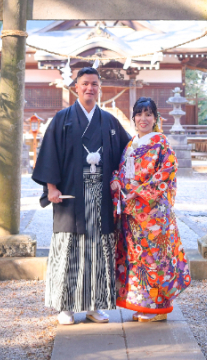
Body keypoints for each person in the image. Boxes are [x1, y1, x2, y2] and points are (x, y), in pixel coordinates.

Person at [32, 67, 132, 325]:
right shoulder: (62, 119)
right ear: (76, 87)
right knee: (69, 251)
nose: (90, 88)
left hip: (101, 199)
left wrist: (122, 180)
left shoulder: (109, 121)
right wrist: (51, 187)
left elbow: (127, 152)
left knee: (99, 252)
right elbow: (50, 154)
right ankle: (65, 306)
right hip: (70, 197)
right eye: (85, 84)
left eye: (94, 84)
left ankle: (95, 306)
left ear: (100, 88)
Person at [111, 97, 191, 322]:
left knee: (156, 259)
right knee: (138, 261)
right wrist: (116, 181)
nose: (143, 119)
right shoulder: (131, 143)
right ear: (134, 117)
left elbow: (167, 171)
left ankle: (157, 306)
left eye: (148, 114)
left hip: (153, 212)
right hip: (133, 213)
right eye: (139, 114)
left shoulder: (161, 142)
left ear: (155, 118)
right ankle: (144, 306)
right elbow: (120, 169)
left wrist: (140, 191)